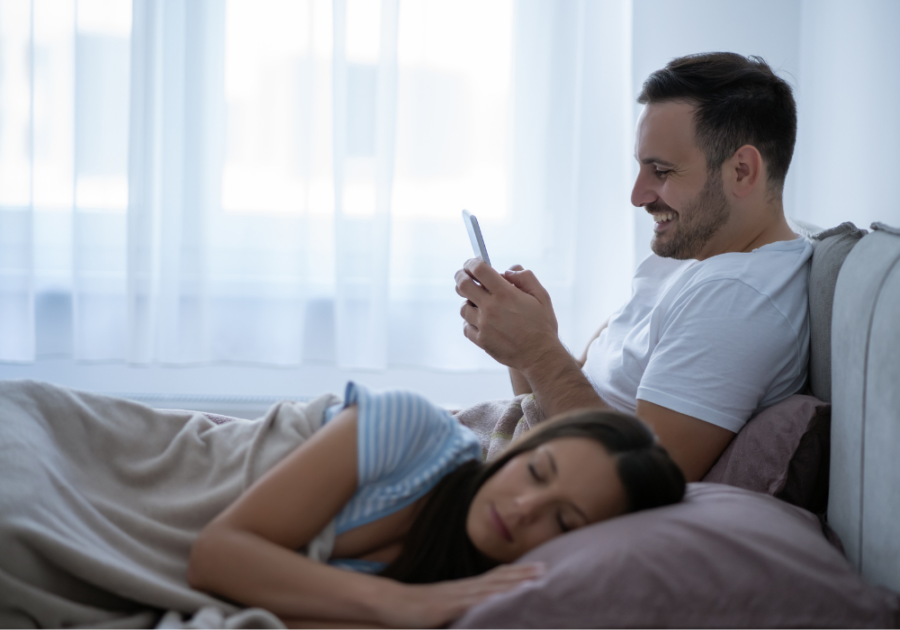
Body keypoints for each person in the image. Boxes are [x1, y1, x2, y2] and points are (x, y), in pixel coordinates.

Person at [455, 52, 812, 482]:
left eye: (660, 171)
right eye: (641, 167)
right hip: (511, 444)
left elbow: (638, 479)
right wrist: (525, 343)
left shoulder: (740, 298)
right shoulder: (687, 258)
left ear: (741, 171)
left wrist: (537, 348)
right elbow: (552, 412)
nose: (638, 195)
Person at [188, 382, 685, 627]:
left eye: (561, 520)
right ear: (520, 451)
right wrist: (403, 604)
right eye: (534, 471)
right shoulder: (414, 430)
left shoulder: (468, 600)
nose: (521, 509)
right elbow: (215, 556)